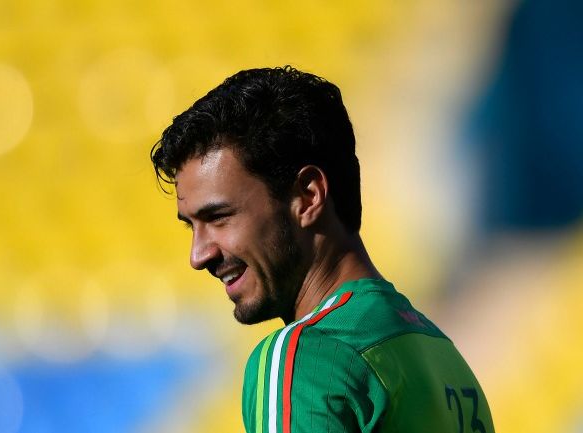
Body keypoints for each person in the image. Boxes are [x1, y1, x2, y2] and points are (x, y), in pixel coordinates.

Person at [150, 66, 494, 433]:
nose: (198, 255)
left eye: (219, 217)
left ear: (308, 196)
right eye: (192, 226)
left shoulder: (305, 356)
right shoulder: (441, 353)